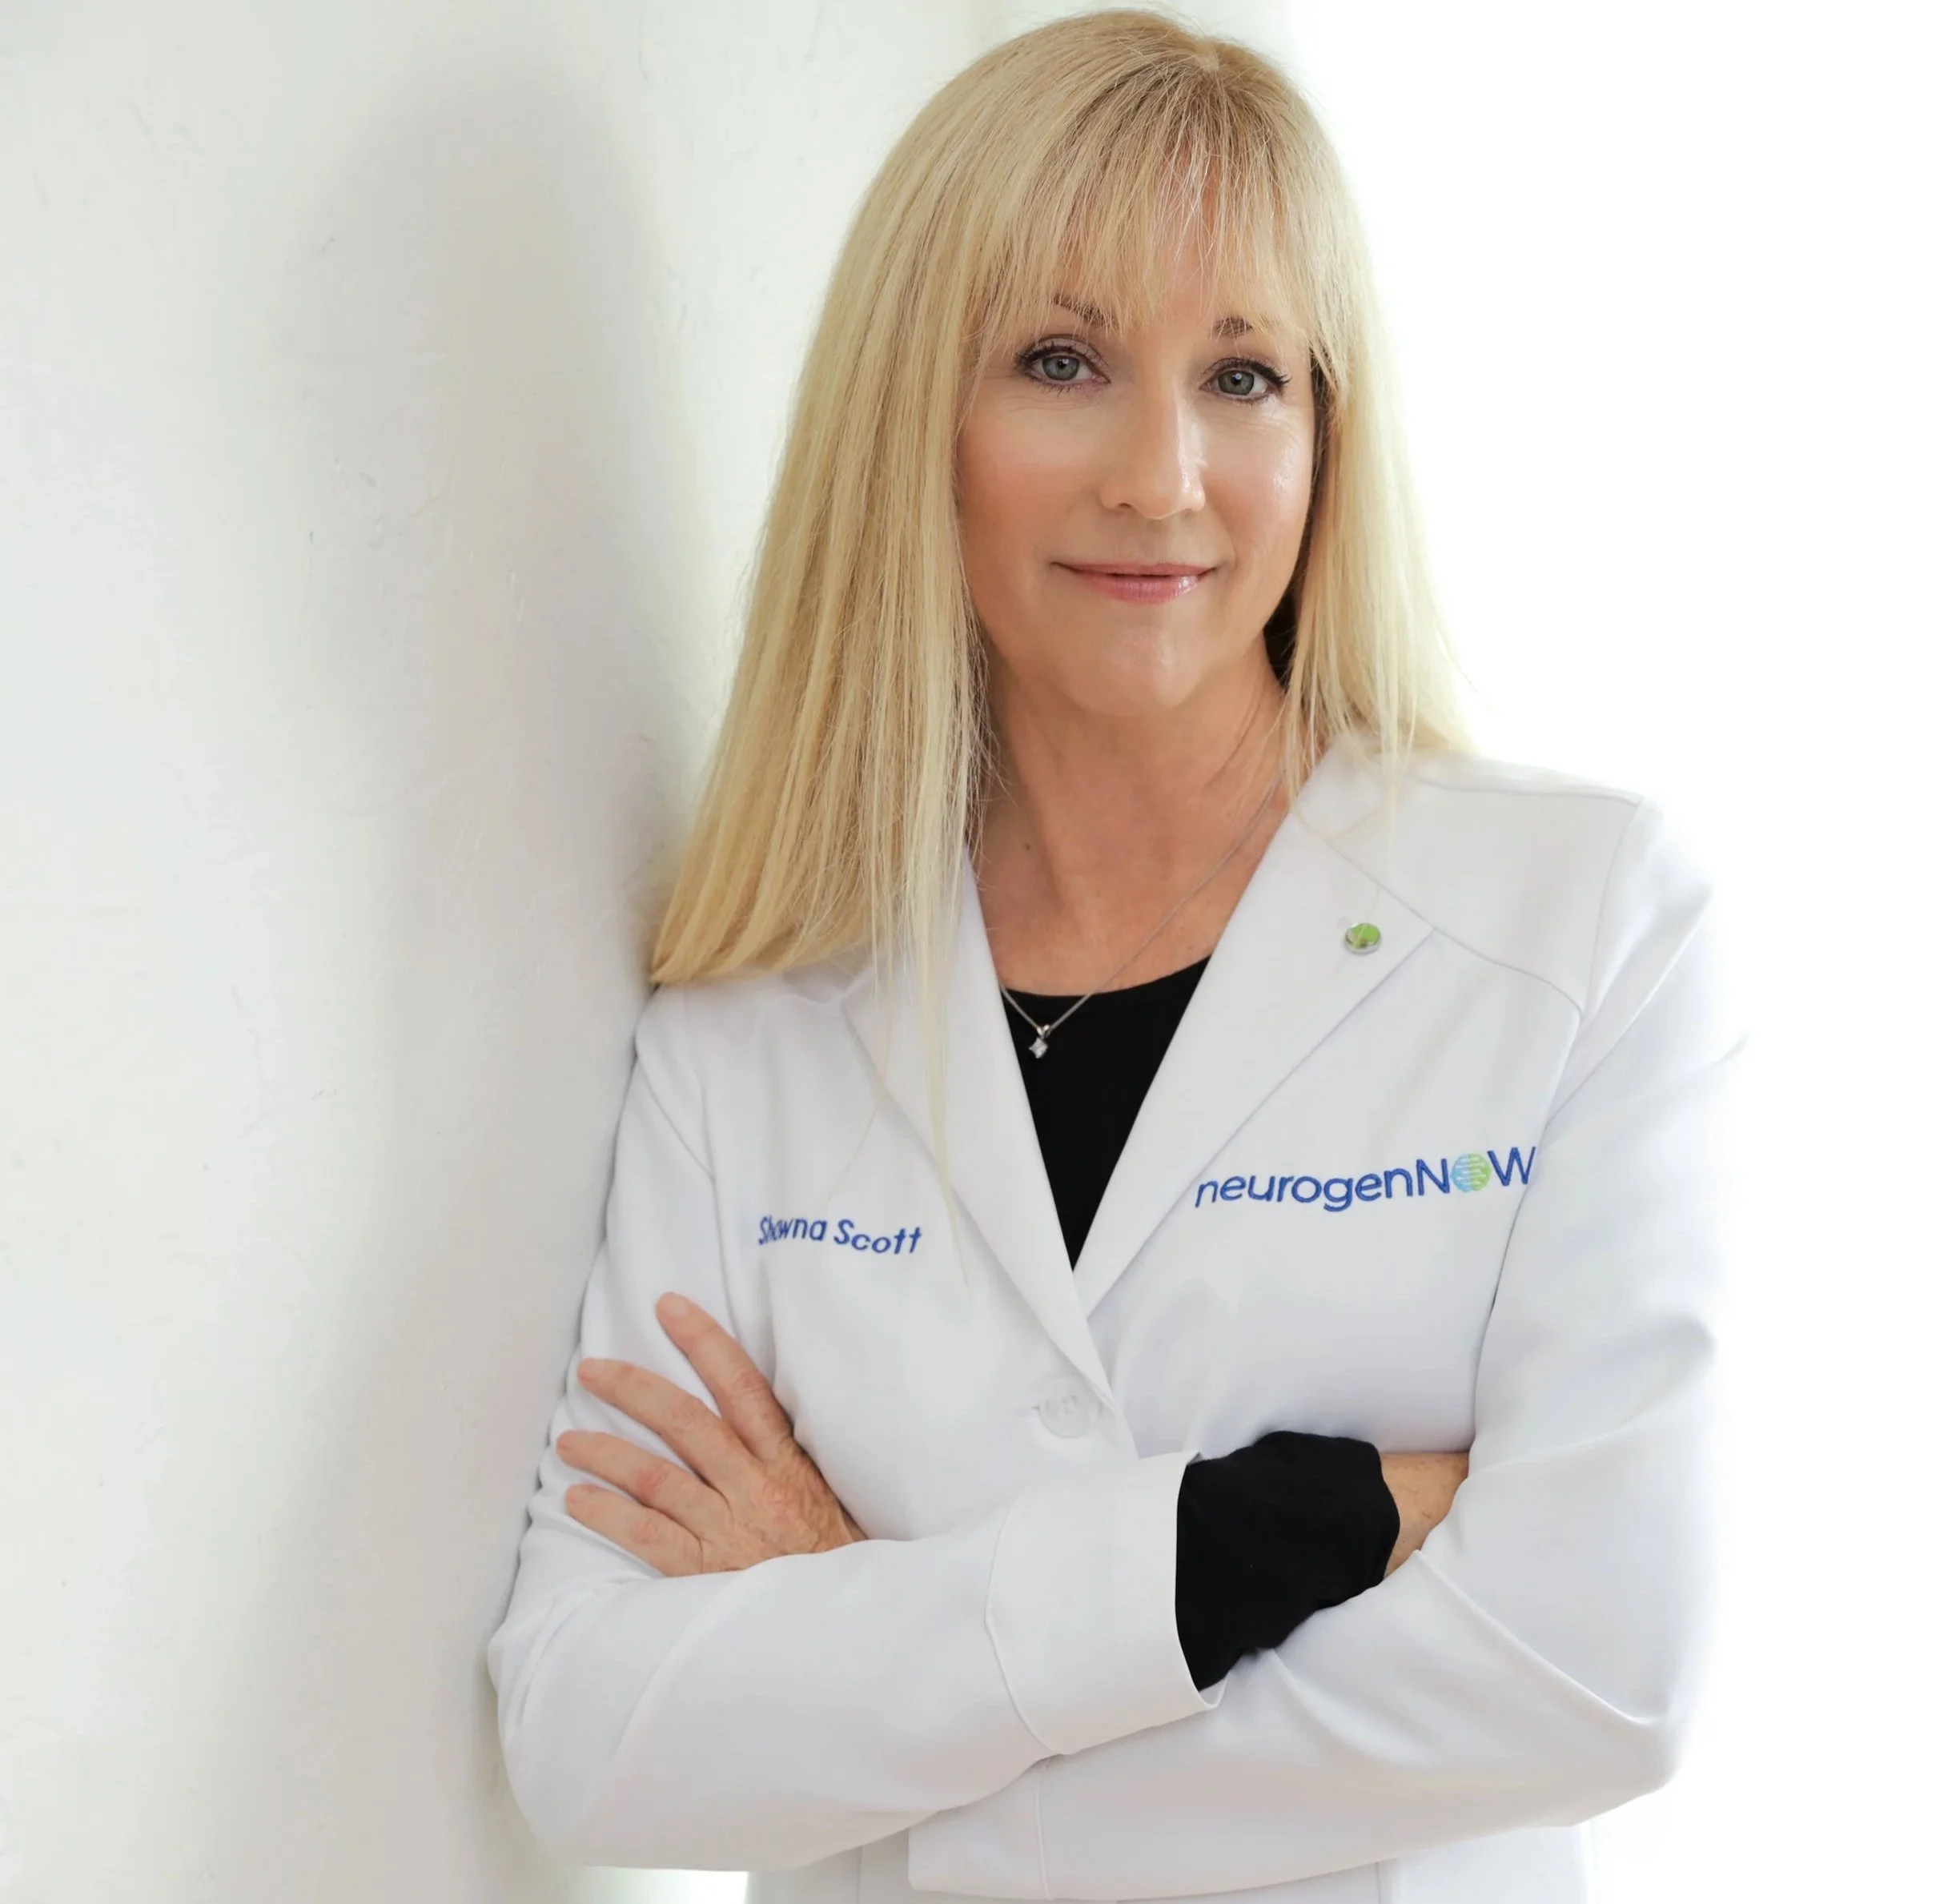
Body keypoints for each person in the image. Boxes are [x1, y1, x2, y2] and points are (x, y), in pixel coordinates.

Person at [486, 14, 1734, 1902]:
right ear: (923, 417)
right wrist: (1238, 1545)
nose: (1163, 476)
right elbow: (591, 1737)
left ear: (1330, 434)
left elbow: (1593, 1666)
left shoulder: (1582, 922)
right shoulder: (748, 1024)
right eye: (1062, 361)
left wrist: (867, 1657)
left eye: (1243, 375)